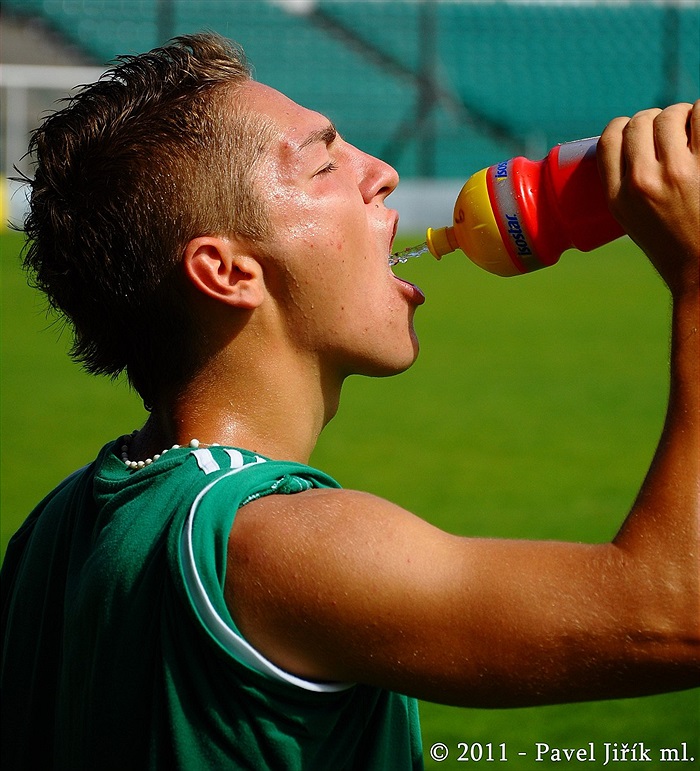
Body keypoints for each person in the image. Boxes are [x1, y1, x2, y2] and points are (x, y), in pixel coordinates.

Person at [1, 32, 698, 771]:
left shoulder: (52, 525)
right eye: (325, 162)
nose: (385, 173)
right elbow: (675, 610)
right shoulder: (272, 543)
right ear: (228, 271)